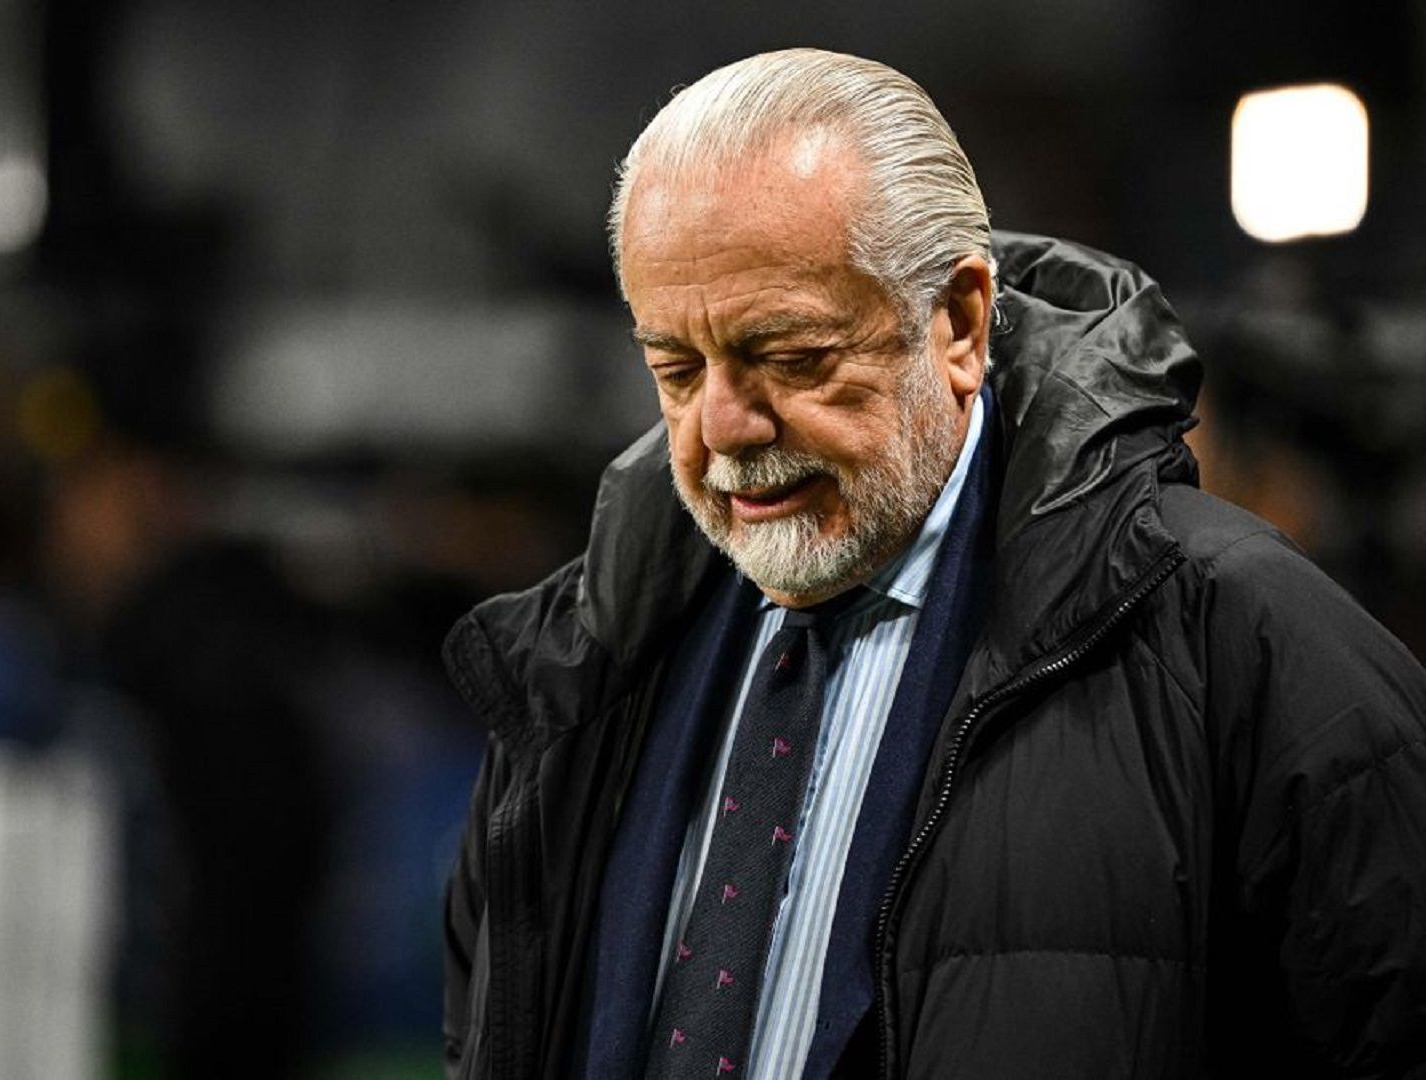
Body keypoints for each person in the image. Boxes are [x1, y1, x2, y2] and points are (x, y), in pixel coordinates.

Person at [441, 48, 1426, 1079]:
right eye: (676, 369)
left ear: (958, 322)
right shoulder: (574, 674)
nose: (722, 427)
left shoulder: (1243, 641)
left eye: (792, 356)